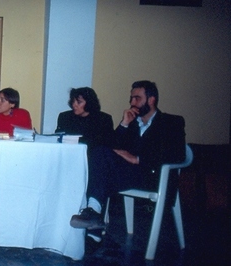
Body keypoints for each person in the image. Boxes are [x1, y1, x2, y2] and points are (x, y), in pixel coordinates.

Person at [69, 80, 186, 245]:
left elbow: (177, 154)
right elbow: (110, 146)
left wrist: (138, 159)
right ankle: (93, 217)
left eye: (137, 98)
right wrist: (124, 124)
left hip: (153, 177)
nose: (132, 103)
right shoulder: (132, 123)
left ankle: (93, 225)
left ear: (151, 100)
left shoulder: (171, 122)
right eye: (131, 98)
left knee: (100, 169)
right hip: (128, 175)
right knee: (99, 154)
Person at [55, 87, 114, 155]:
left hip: (93, 156)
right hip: (69, 153)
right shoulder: (65, 117)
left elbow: (106, 142)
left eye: (79, 102)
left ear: (89, 102)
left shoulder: (103, 119)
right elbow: (59, 138)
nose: (74, 105)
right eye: (73, 101)